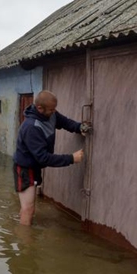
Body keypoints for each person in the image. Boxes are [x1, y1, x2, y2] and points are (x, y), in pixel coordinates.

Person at [13, 90, 90, 226]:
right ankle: (25, 243)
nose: (54, 112)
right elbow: (43, 158)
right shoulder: (31, 127)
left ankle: (23, 228)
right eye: (51, 109)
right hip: (25, 169)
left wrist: (79, 127)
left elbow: (65, 122)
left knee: (28, 206)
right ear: (40, 108)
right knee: (28, 209)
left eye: (55, 109)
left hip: (34, 165)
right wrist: (71, 158)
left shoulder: (51, 114)